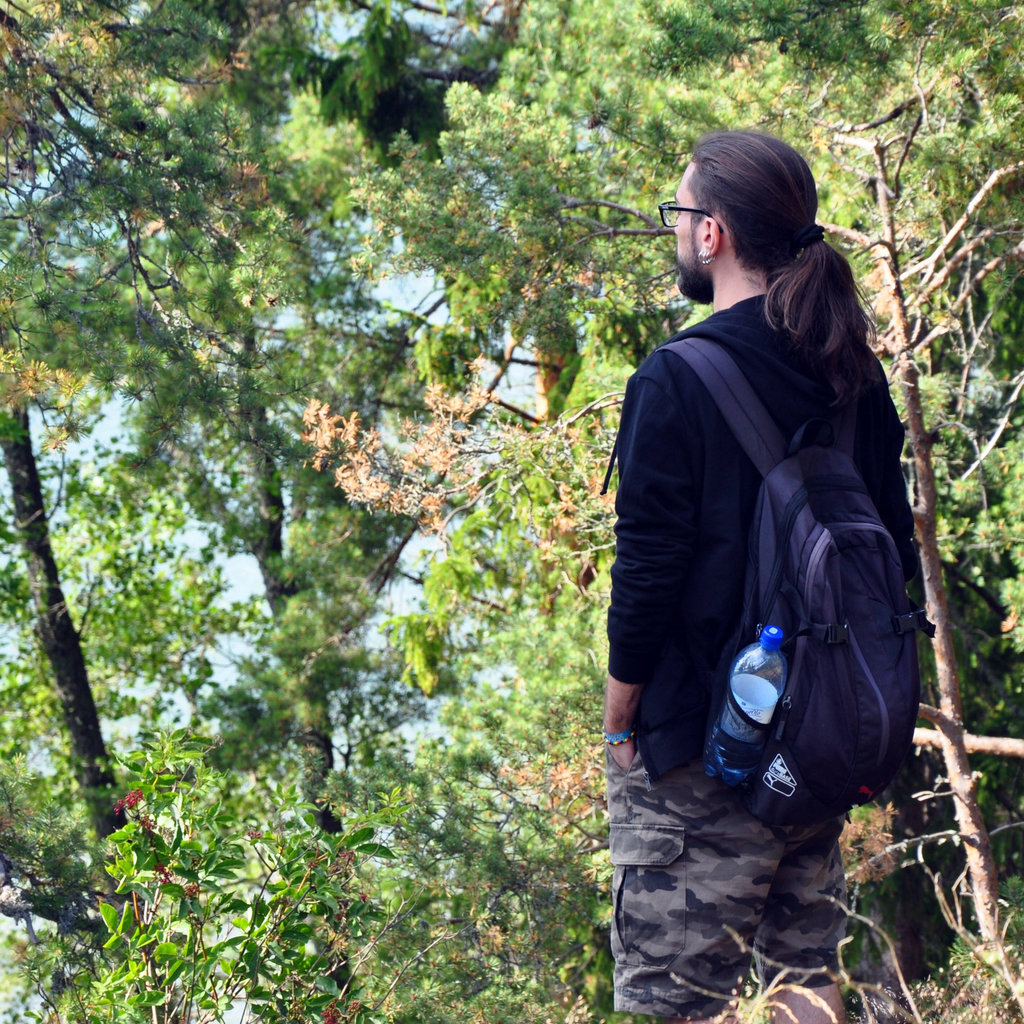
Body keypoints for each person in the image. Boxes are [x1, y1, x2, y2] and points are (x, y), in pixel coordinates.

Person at [602, 130, 918, 1024]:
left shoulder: (676, 377)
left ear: (714, 234)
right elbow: (893, 554)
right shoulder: (854, 375)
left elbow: (648, 570)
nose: (676, 230)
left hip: (702, 747)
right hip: (818, 738)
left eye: (680, 213)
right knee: (803, 975)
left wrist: (621, 717)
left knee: (673, 1001)